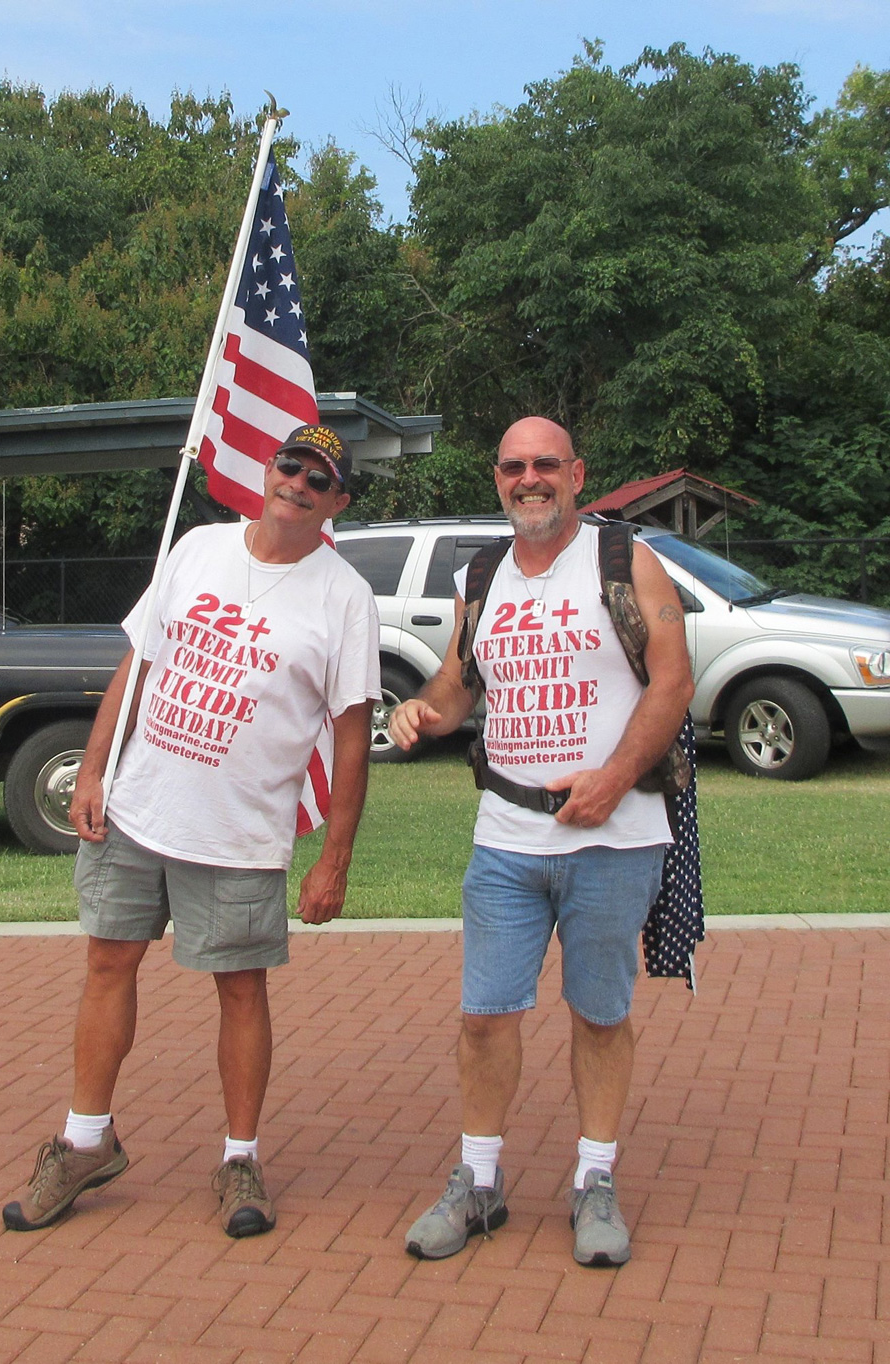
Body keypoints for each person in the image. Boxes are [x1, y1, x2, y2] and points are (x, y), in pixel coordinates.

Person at [2, 424, 380, 1238]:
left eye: (319, 479)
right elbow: (137, 666)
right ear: (267, 470)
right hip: (138, 810)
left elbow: (352, 738)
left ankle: (241, 1159)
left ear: (337, 502)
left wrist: (334, 861)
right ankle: (85, 1142)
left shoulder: (345, 597)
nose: (299, 483)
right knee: (107, 964)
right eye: (291, 465)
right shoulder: (199, 549)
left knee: (240, 987)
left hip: (239, 833)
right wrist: (94, 770)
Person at [390, 416, 694, 1266]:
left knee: (599, 1016)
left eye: (546, 465)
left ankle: (595, 1180)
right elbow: (458, 683)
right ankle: (479, 1181)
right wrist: (422, 710)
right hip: (506, 839)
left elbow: (673, 683)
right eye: (514, 466)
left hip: (614, 838)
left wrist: (613, 778)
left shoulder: (625, 560)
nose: (530, 479)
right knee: (485, 1017)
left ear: (576, 474)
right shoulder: (480, 575)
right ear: (497, 478)